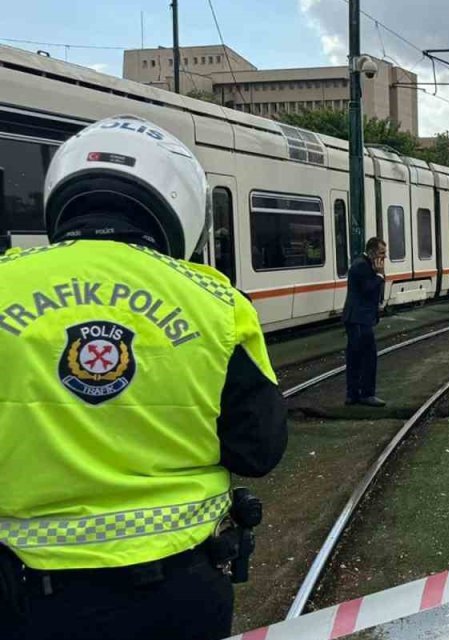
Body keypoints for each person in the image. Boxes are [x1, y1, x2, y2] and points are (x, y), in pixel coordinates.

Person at [0, 115, 287, 640]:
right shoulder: (218, 304)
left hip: (22, 598)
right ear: (179, 203)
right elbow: (258, 450)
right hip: (175, 593)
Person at [343, 237, 387, 407]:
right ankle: (366, 394)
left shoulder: (362, 264)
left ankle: (352, 394)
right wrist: (379, 276)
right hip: (359, 319)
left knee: (354, 356)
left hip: (357, 319)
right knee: (368, 357)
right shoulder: (362, 266)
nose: (384, 257)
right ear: (372, 252)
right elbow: (367, 289)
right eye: (382, 253)